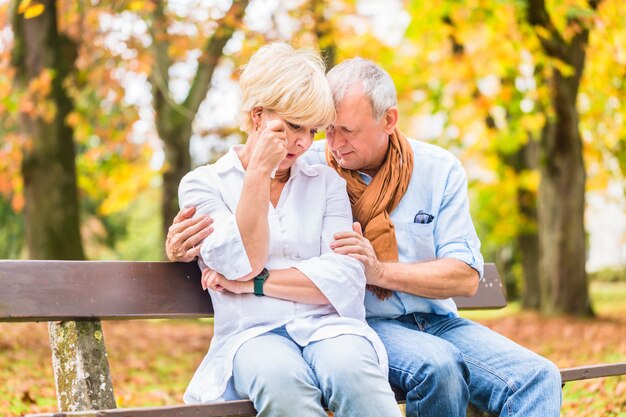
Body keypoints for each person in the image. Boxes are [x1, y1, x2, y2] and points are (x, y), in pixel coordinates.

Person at [168, 56, 563, 416]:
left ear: (389, 121)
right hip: (365, 323)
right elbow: (228, 246)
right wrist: (182, 244)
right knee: (435, 365)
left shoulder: (435, 170)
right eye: (328, 130)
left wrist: (376, 271)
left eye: (344, 131)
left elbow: (462, 277)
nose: (329, 145)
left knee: (538, 377)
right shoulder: (311, 163)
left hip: (433, 319)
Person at [177, 43, 402, 417]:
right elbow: (240, 263)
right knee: (282, 382)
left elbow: (344, 276)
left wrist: (255, 285)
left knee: (354, 372)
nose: (301, 142)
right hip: (252, 334)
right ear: (257, 116)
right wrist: (257, 177)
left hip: (327, 327)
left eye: (312, 130)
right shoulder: (204, 185)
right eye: (293, 125)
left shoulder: (327, 183)